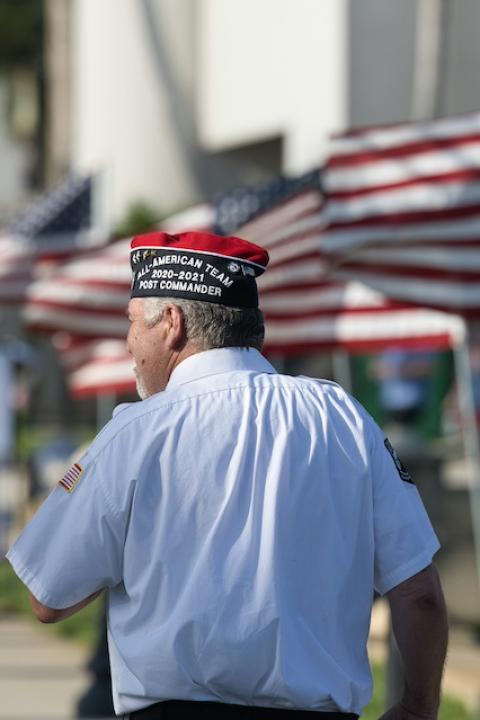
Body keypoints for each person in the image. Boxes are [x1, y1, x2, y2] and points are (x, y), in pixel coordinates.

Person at [7, 231, 448, 720]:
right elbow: (419, 594)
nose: (129, 343)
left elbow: (48, 596)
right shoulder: (342, 416)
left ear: (171, 323)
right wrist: (417, 707)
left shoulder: (134, 432)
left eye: (132, 323)